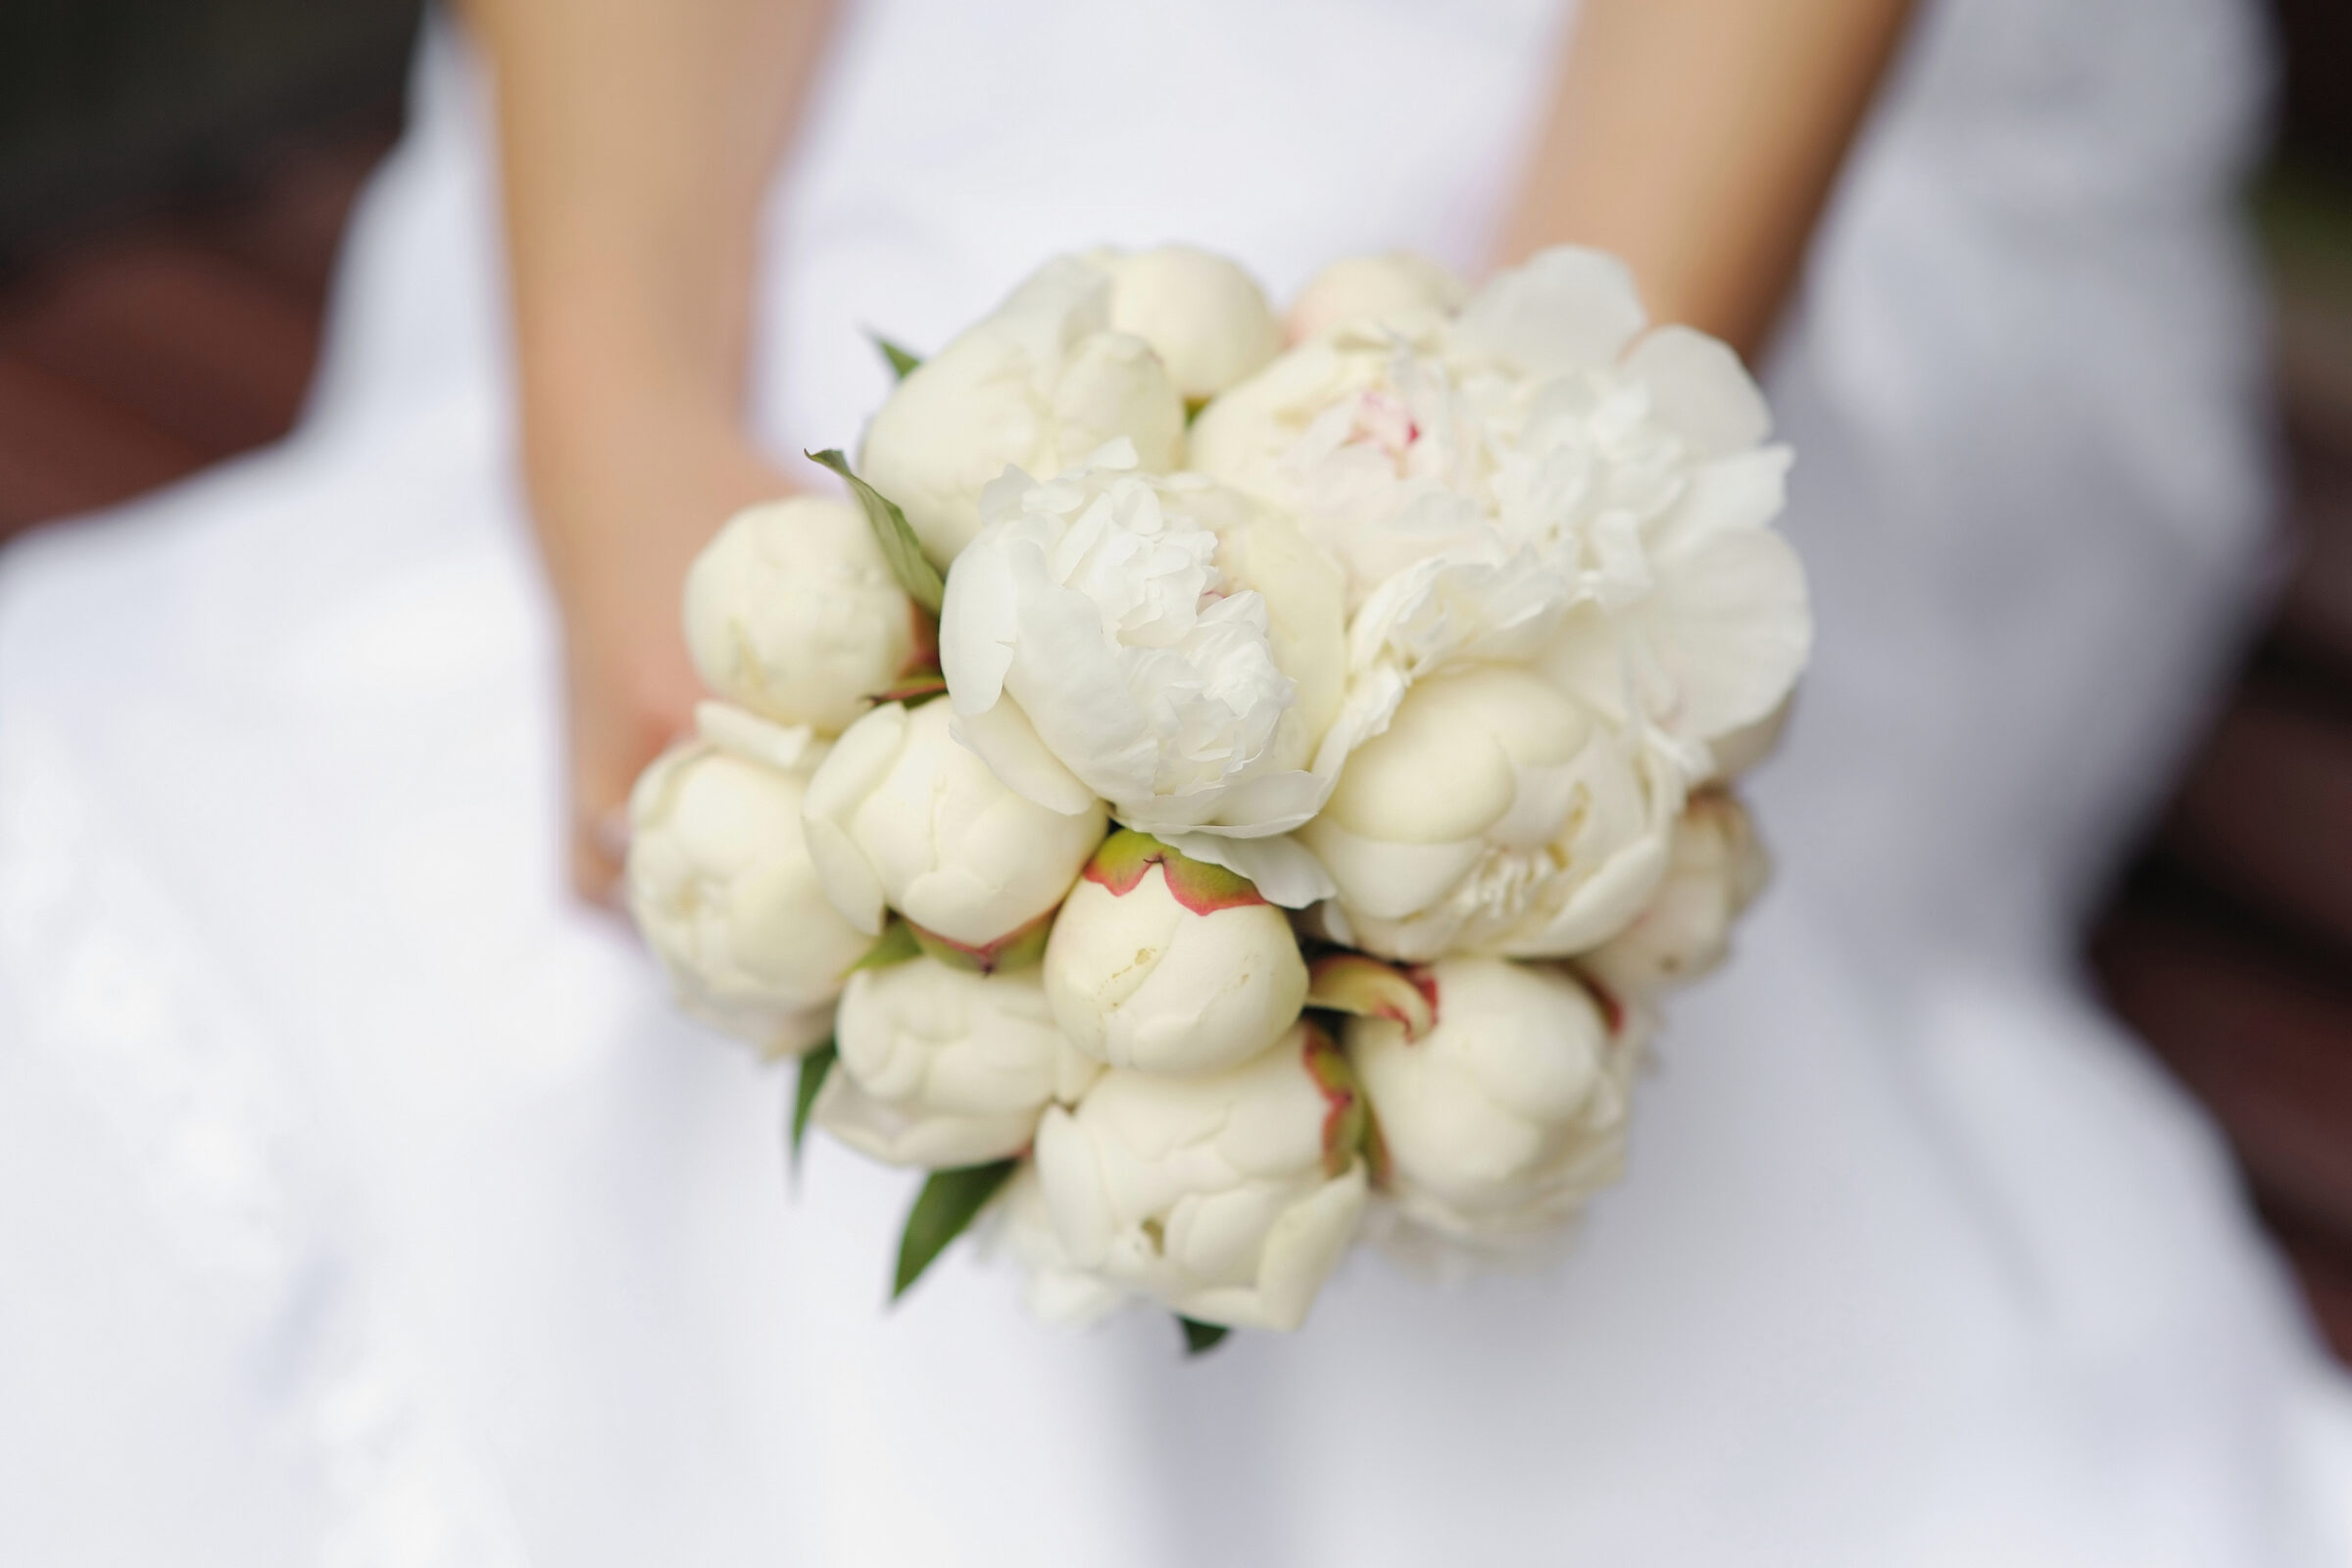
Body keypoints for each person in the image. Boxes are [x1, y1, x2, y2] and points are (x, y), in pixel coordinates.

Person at [0, 0, 2346, 1561]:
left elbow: (1588, 409)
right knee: (747, 551)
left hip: (1754, 137)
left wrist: (1491, 543)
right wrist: (612, 430)